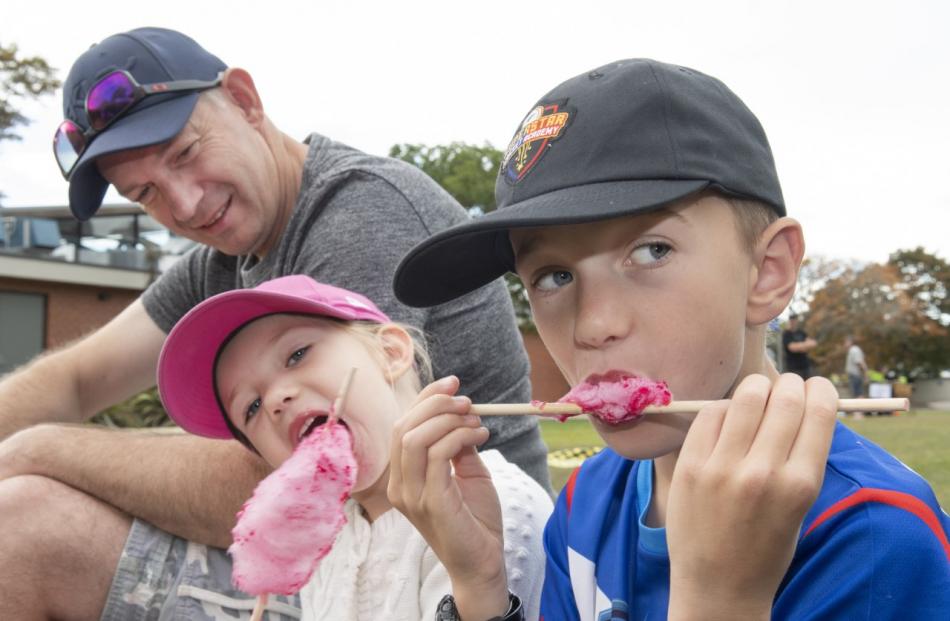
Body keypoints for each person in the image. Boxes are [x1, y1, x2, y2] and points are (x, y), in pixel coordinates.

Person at [0, 27, 551, 620]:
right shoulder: (217, 262)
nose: (184, 205)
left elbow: (295, 480)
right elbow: (77, 379)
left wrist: (38, 449)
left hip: (460, 555)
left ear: (243, 99)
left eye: (185, 153)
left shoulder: (360, 212)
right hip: (347, 554)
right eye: (147, 193)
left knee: (22, 526)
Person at [388, 59, 950, 619]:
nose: (592, 325)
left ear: (768, 271)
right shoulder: (588, 500)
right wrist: (481, 587)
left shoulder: (873, 534)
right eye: (554, 276)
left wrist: (720, 601)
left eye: (652, 250)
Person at [155, 275, 551, 619]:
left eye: (296, 354)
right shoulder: (327, 536)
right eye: (251, 407)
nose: (274, 400)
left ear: (390, 352)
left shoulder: (491, 508)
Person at [782, 313, 818, 378]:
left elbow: (813, 343)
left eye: (795, 320)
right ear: (790, 321)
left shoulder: (801, 332)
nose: (793, 322)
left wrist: (800, 346)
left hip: (805, 366)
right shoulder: (787, 334)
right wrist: (805, 346)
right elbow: (792, 348)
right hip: (793, 368)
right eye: (792, 320)